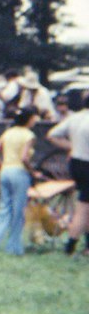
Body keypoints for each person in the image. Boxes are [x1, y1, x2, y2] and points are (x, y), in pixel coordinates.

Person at [0, 107, 42, 255]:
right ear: (29, 119)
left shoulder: (8, 132)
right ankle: (14, 247)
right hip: (19, 173)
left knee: (4, 209)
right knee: (18, 212)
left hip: (5, 171)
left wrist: (2, 163)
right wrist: (33, 172)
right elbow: (24, 158)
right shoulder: (29, 135)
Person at [47, 91, 89, 256]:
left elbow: (52, 135)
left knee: (85, 204)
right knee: (83, 207)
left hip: (76, 163)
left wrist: (71, 146)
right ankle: (70, 244)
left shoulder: (74, 118)